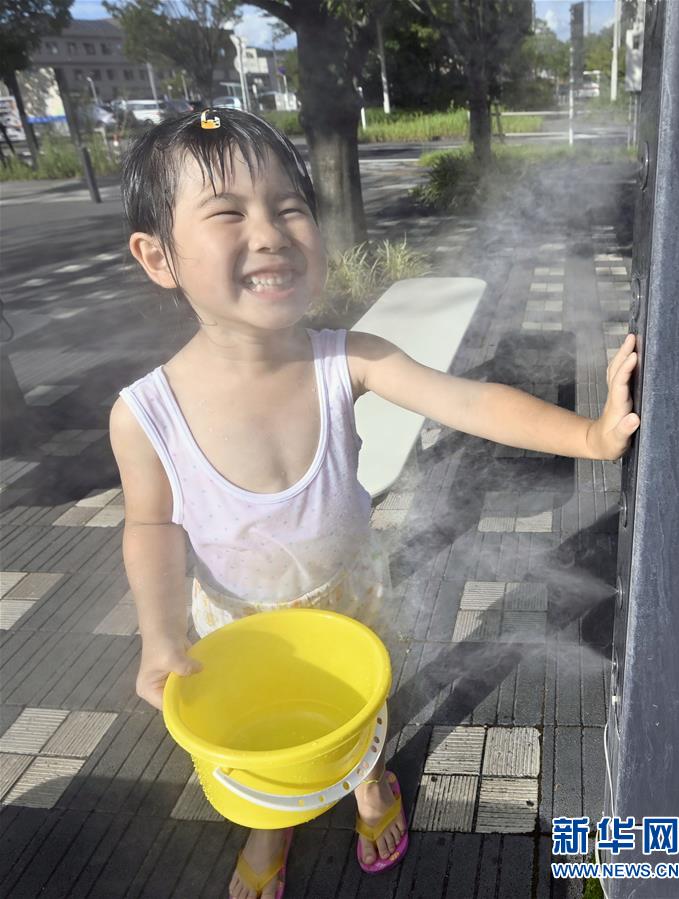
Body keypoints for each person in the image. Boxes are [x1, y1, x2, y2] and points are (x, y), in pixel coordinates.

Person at [109, 108, 640, 899]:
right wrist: (158, 636)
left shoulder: (343, 358)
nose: (271, 230)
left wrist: (588, 436)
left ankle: (371, 786)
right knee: (264, 741)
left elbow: (467, 401)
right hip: (240, 625)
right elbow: (149, 528)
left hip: (350, 599)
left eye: (290, 206)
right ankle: (269, 822)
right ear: (159, 257)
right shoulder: (146, 413)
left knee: (362, 716)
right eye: (228, 212)